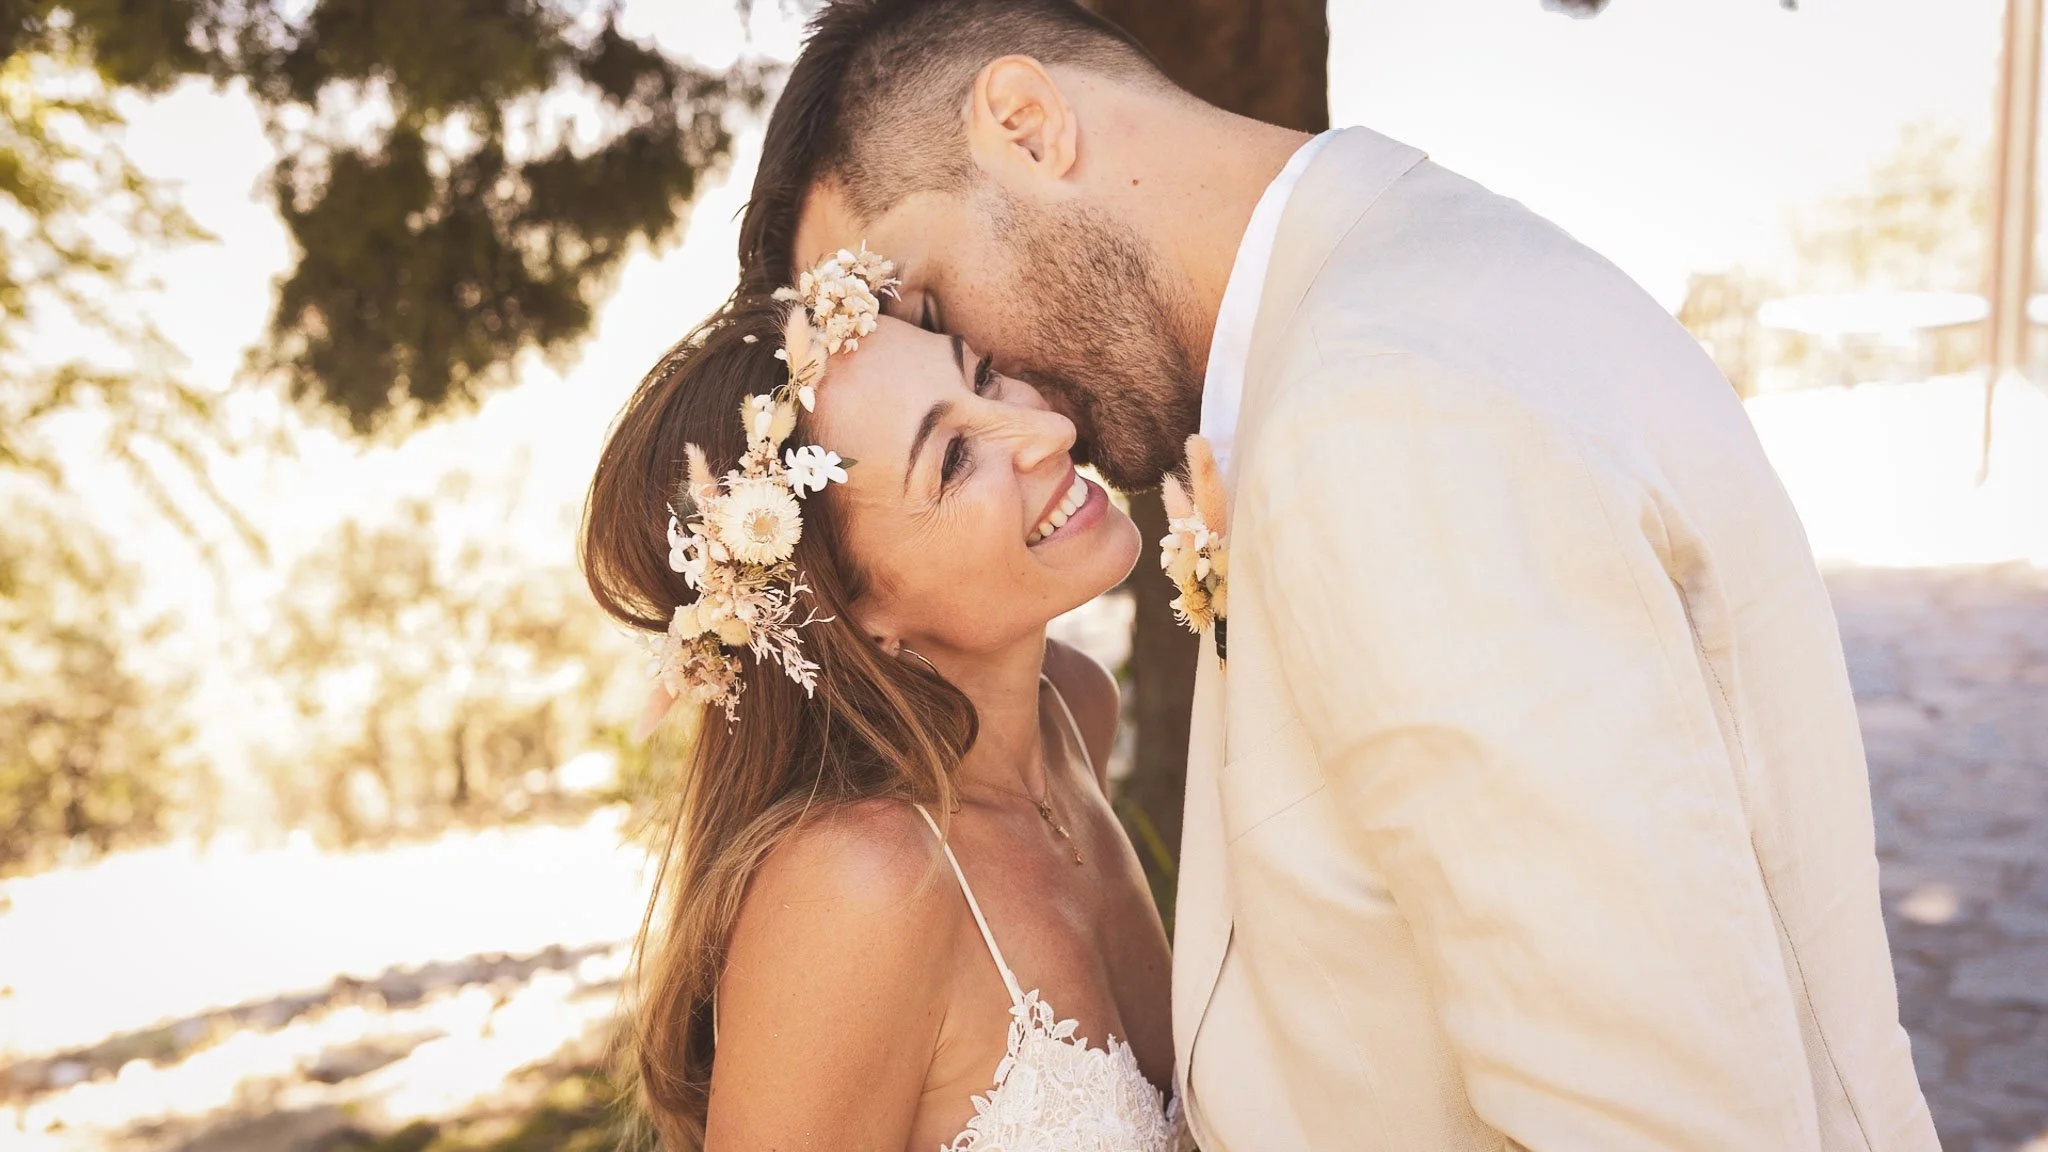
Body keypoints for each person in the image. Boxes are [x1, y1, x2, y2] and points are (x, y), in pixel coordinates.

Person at [729, 1, 1941, 1149]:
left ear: (1028, 126)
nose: (1019, 401)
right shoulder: (1453, 278)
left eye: (934, 306)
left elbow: (1650, 1119)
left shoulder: (1384, 413)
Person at [582, 255, 1185, 1149]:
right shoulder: (861, 884)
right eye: (952, 460)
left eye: (984, 377)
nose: (1045, 427)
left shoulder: (1076, 710)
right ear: (858, 620)